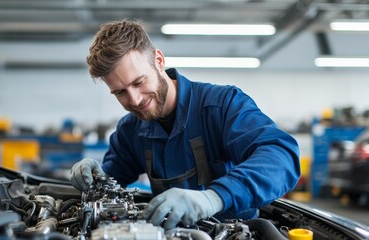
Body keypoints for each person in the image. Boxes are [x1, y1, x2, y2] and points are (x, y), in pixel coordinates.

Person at [70, 19, 300, 230]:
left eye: (139, 82)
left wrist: (214, 197)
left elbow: (281, 157)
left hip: (235, 231)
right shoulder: (131, 130)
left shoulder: (222, 106)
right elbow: (113, 178)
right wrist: (95, 176)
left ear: (158, 61)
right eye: (120, 92)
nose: (135, 100)